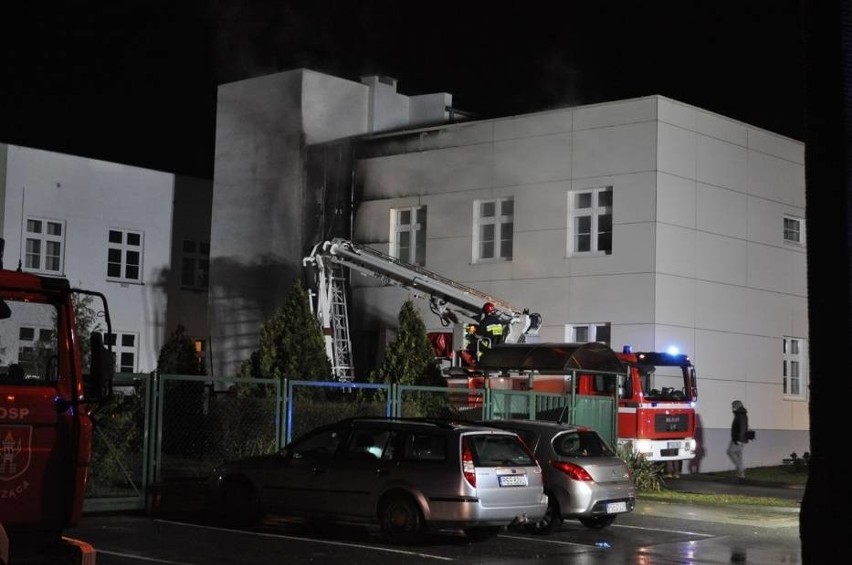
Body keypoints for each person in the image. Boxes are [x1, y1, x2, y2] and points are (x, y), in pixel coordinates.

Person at [726, 399, 749, 479]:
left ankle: (741, 469)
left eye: (733, 406)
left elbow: (742, 428)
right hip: (739, 438)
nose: (732, 408)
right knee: (739, 455)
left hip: (738, 439)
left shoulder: (740, 415)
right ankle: (741, 475)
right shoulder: (741, 414)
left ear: (737, 406)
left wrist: (739, 439)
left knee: (730, 451)